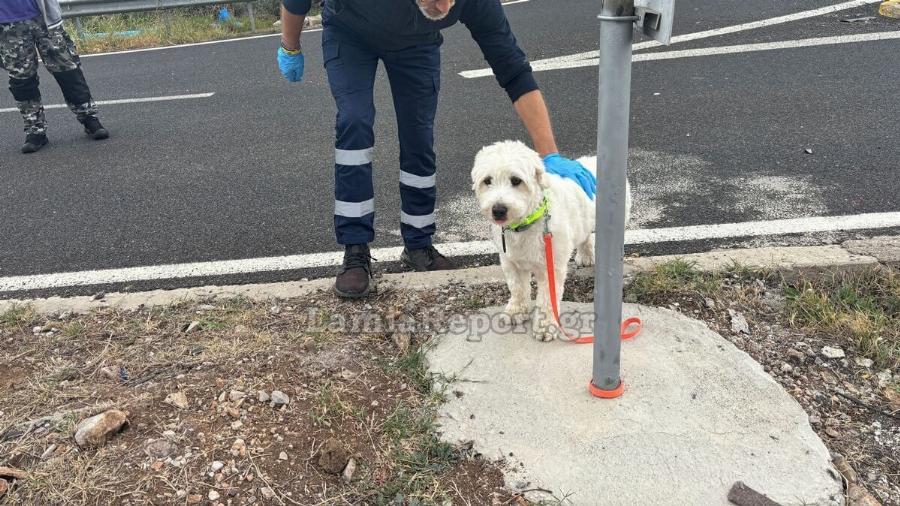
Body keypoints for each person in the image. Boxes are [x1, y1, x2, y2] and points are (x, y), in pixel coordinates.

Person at [277, 0, 596, 299]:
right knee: (354, 122)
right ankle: (355, 250)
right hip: (351, 32)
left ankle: (419, 244)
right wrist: (289, 46)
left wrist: (550, 155)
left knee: (419, 136)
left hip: (416, 42)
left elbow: (512, 68)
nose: (443, 5)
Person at [0, 0, 108, 154]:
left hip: (42, 17)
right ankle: (35, 131)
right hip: (6, 25)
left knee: (67, 70)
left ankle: (89, 118)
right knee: (21, 79)